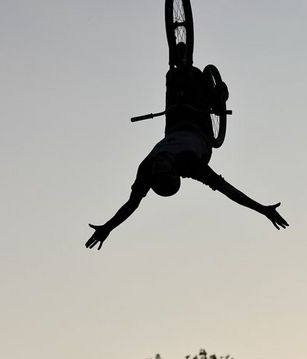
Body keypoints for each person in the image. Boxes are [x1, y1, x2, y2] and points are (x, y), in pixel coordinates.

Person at [85, 64, 288, 251]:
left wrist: (108, 227)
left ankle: (178, 59)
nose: (159, 160)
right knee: (199, 97)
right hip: (201, 132)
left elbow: (131, 204)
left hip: (174, 125)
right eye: (163, 164)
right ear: (175, 170)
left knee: (173, 78)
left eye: (157, 164)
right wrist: (262, 209)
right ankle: (218, 97)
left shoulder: (146, 170)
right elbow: (228, 191)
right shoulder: (191, 165)